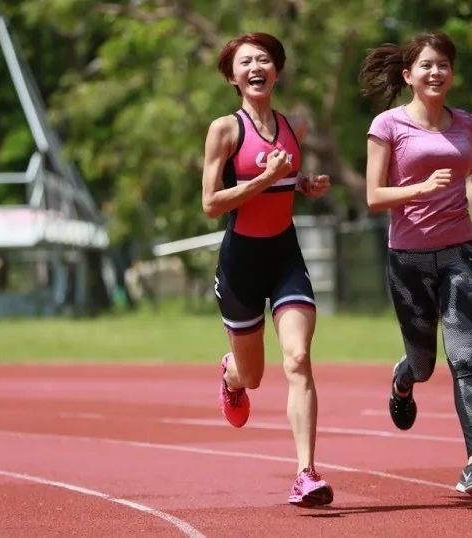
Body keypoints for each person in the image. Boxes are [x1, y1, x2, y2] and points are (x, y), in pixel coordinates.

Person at [358, 31, 472, 499]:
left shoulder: (468, 124)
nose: (435, 72)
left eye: (443, 64)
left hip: (460, 252)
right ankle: (403, 379)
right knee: (424, 365)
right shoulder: (388, 126)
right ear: (408, 76)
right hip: (409, 258)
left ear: (452, 72)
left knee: (464, 359)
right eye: (426, 65)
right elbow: (374, 196)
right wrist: (419, 190)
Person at [200, 31, 334, 508]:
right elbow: (212, 204)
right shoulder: (225, 129)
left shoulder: (294, 123)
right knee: (253, 376)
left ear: (276, 71)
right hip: (241, 263)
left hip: (284, 256)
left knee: (297, 358)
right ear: (233, 77)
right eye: (245, 62)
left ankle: (306, 473)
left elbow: (288, 175)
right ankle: (231, 374)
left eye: (264, 60)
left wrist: (304, 184)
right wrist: (266, 179)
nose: (256, 67)